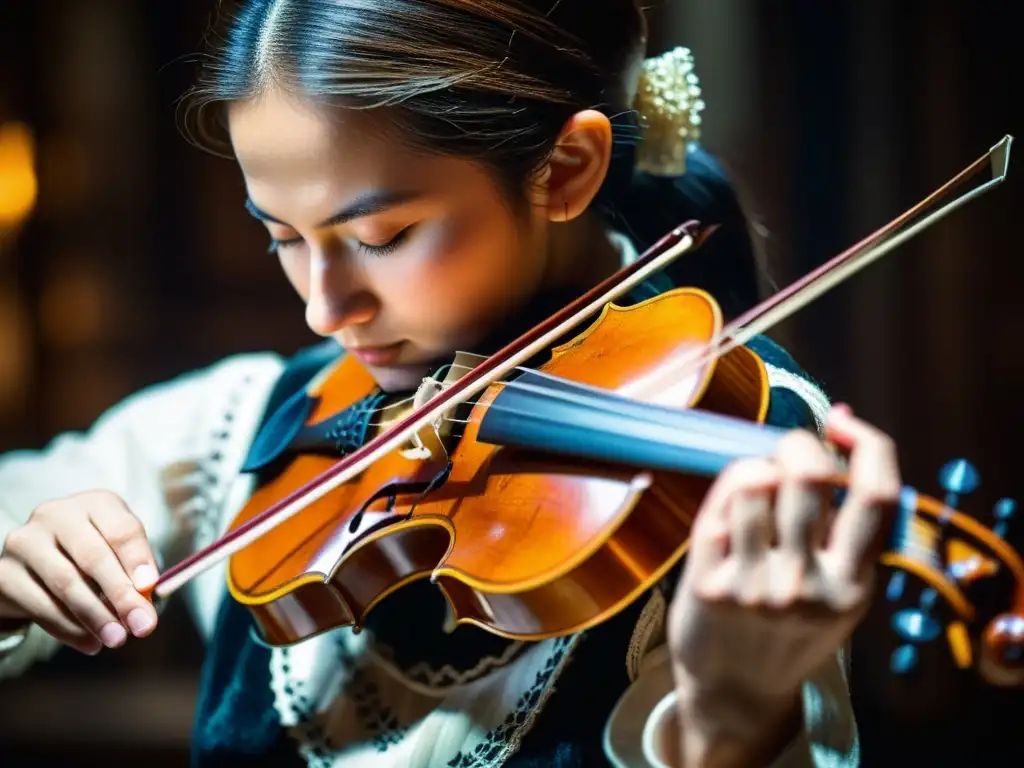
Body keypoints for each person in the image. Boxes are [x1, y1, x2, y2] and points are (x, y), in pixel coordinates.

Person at [0, 1, 899, 765]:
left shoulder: (738, 443)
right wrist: (22, 558)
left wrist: (735, 720)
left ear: (566, 170)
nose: (324, 309)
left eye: (382, 237)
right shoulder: (264, 420)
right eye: (282, 236)